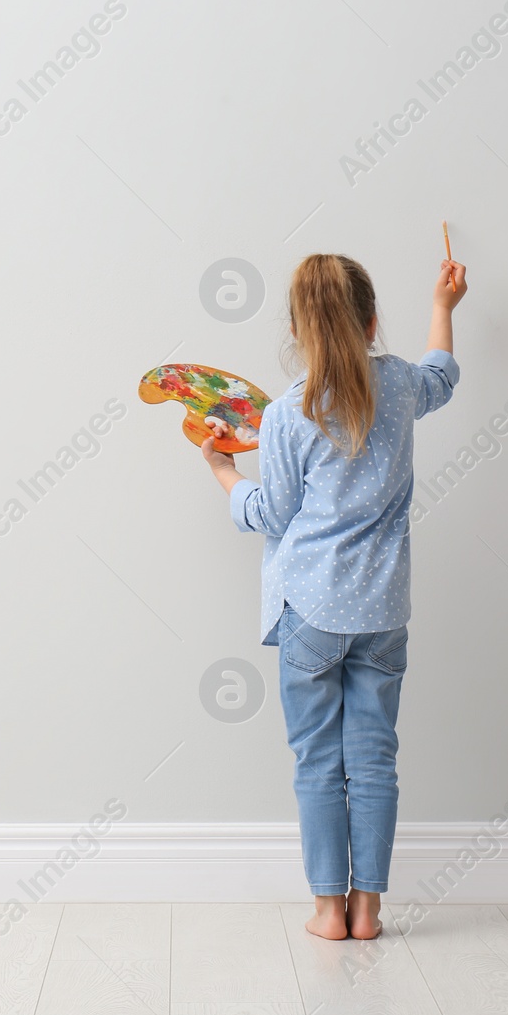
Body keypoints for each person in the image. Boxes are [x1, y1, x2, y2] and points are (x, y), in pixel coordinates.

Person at [202, 253, 467, 939]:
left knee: (320, 760)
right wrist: (443, 305)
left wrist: (225, 474)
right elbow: (443, 374)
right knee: (374, 756)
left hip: (311, 614)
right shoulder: (403, 385)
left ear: (298, 332)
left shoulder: (289, 414)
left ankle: (328, 909)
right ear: (374, 321)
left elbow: (274, 515)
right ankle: (369, 908)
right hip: (383, 613)